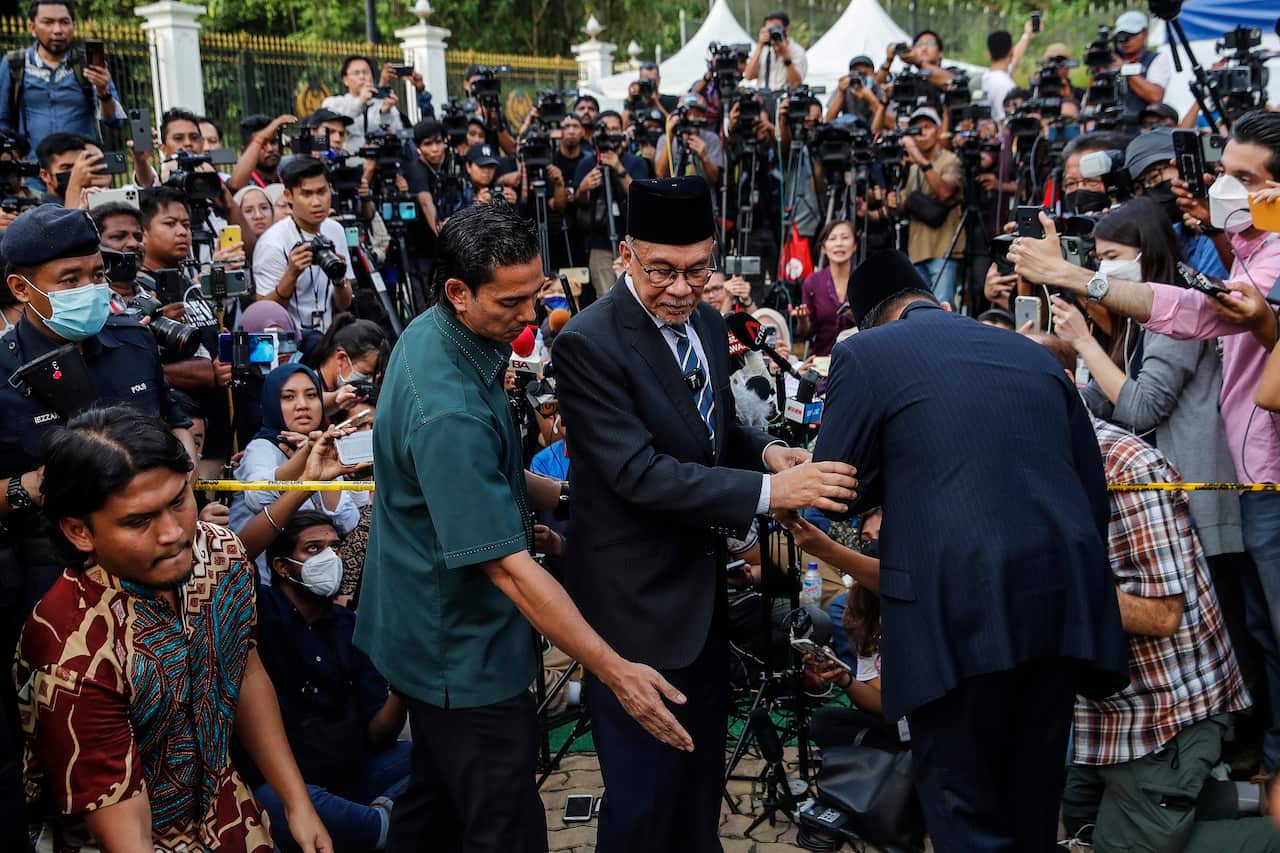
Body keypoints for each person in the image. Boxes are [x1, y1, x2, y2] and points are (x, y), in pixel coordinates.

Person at [355, 202, 694, 853]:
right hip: (457, 649)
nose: (531, 316)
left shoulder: (443, 331)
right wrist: (614, 669)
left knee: (436, 805)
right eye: (513, 301)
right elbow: (509, 568)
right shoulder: (446, 408)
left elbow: (496, 471)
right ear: (458, 290)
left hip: (431, 633)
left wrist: (573, 496)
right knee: (503, 822)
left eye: (537, 294)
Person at [553, 176, 859, 852]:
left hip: (701, 607)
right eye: (662, 270)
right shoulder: (588, 343)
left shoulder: (710, 325)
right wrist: (770, 494)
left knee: (697, 797)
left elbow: (710, 436)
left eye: (698, 269)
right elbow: (639, 473)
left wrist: (771, 450)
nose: (682, 287)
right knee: (640, 805)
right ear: (626, 256)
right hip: (632, 616)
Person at [807, 250, 1128, 851]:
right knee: (1032, 810)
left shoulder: (863, 352)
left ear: (868, 318)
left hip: (952, 617)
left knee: (964, 811)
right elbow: (1091, 492)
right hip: (1058, 613)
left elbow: (835, 489)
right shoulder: (1034, 357)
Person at [1010, 109, 1280, 776]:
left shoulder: (1261, 260)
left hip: (1242, 484)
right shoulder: (1248, 250)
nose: (1225, 189)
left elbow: (1177, 342)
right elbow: (1100, 400)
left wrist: (1080, 285)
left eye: (1245, 179)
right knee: (1266, 632)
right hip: (1248, 478)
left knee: (1264, 634)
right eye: (1224, 173)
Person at [15, 406, 328, 850]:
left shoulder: (220, 553)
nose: (174, 534)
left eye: (179, 500)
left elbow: (245, 670)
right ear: (79, 531)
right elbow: (125, 831)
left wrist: (297, 803)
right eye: (139, 520)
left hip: (227, 815)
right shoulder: (72, 651)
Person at [253, 510, 410, 851]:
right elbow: (233, 559)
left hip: (352, 773)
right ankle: (384, 827)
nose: (329, 558)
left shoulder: (350, 627)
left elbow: (377, 735)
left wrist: (402, 690)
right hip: (292, 787)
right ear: (281, 566)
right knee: (268, 800)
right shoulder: (260, 615)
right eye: (313, 549)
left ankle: (366, 824)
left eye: (334, 547)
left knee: (433, 755)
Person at [230, 362, 361, 582]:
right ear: (271, 404)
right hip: (263, 585)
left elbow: (347, 521)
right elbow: (258, 497)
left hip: (313, 585)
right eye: (288, 397)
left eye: (311, 395)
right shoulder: (261, 448)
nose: (302, 405)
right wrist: (303, 459)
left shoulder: (326, 449)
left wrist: (320, 463)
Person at [0, 1, 122, 163]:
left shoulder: (87, 64)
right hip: (34, 173)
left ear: (73, 26)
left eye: (64, 22)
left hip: (84, 169)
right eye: (48, 22)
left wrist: (103, 92)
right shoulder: (15, 63)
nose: (58, 30)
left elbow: (114, 121)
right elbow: (3, 119)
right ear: (32, 27)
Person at [254, 157, 355, 335]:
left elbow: (344, 304)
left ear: (330, 189)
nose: (316, 202)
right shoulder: (272, 242)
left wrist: (339, 280)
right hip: (289, 342)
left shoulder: (335, 230)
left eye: (322, 191)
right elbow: (263, 315)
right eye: (306, 194)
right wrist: (291, 274)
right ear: (288, 196)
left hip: (329, 337)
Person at [1124, 127, 1229, 278]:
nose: (1152, 189)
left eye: (1155, 177)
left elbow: (1207, 297)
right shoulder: (1174, 232)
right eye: (1142, 185)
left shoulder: (1227, 224)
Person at [889, 106, 964, 307]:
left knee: (944, 309)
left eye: (927, 127)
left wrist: (919, 158)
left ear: (939, 131)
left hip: (943, 249)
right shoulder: (911, 168)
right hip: (916, 251)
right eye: (916, 129)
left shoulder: (950, 160)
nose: (921, 133)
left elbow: (945, 191)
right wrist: (894, 200)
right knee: (921, 311)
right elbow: (905, 201)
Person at [573, 110, 649, 299]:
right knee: (607, 296)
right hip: (601, 242)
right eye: (605, 129)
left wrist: (618, 168)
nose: (610, 133)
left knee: (636, 295)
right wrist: (583, 188)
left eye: (615, 129)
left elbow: (641, 198)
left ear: (623, 132)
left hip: (634, 240)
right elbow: (578, 203)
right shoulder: (587, 163)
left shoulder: (636, 162)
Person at [304, 311, 388, 416]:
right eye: (366, 374)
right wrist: (335, 400)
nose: (371, 382)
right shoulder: (303, 384)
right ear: (341, 358)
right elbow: (310, 403)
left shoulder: (348, 401)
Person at [794, 220, 857, 356]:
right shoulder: (813, 282)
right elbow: (807, 334)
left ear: (855, 245)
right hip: (823, 361)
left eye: (845, 238)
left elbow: (877, 326)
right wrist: (803, 320)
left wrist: (858, 316)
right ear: (823, 247)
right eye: (832, 238)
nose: (839, 243)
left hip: (859, 358)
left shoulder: (864, 279)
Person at [1112, 10, 1173, 119]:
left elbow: (1155, 96)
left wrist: (1123, 69)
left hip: (1141, 125)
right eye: (1122, 35)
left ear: (1145, 33)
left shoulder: (1156, 59)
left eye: (1132, 35)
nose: (1126, 40)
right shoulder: (1111, 58)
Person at [984, 21, 1035, 123]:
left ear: (989, 54)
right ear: (1011, 52)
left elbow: (1014, 59)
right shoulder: (1006, 86)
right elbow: (1006, 121)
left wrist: (1027, 35)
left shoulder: (987, 76)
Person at [744, 10, 807, 91]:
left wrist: (785, 56)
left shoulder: (797, 51)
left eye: (776, 28)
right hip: (763, 96)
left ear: (787, 30)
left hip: (786, 98)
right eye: (769, 29)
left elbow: (796, 83)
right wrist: (760, 46)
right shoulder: (762, 50)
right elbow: (749, 76)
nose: (772, 32)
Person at [826, 56, 883, 126]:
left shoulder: (880, 89)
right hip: (850, 131)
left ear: (873, 74)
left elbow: (891, 123)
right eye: (858, 74)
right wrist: (841, 93)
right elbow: (829, 120)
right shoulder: (845, 88)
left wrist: (871, 99)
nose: (861, 79)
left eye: (864, 74)